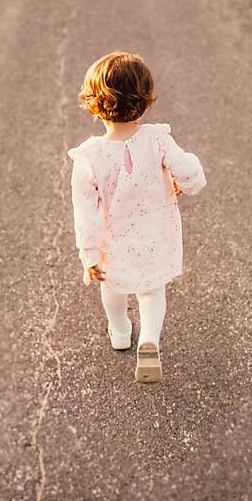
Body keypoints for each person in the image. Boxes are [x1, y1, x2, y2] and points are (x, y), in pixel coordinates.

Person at [67, 51, 206, 383]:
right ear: (146, 101)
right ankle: (149, 340)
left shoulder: (88, 157)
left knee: (113, 287)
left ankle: (119, 331)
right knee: (151, 291)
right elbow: (187, 170)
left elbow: (84, 212)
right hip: (155, 235)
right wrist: (188, 180)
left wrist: (88, 255)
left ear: (93, 103)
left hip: (112, 243)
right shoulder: (158, 139)